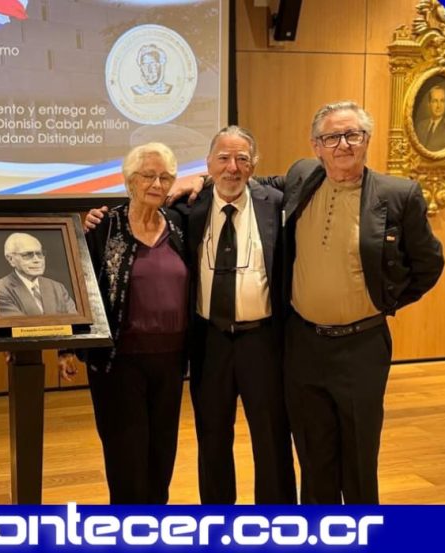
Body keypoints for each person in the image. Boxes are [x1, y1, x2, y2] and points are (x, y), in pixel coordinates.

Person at [84, 128, 298, 505]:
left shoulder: (274, 203)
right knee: (212, 438)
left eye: (242, 159)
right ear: (208, 164)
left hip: (261, 341)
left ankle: (277, 522)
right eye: (223, 159)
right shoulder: (188, 211)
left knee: (271, 437)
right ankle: (216, 519)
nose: (233, 168)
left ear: (254, 165)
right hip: (208, 342)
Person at [281, 101, 444, 504]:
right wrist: (194, 183)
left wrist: (385, 300)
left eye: (353, 135)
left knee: (358, 460)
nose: (343, 145)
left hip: (361, 347)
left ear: (367, 140)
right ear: (316, 145)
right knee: (313, 458)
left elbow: (429, 264)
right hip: (303, 345)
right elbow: (250, 183)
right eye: (331, 137)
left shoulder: (397, 194)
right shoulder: (301, 176)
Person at [60, 142, 190, 504]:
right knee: (125, 452)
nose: (157, 183)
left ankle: (154, 522)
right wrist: (68, 346)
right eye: (148, 175)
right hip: (118, 362)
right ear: (129, 181)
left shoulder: (180, 225)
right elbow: (78, 287)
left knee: (162, 451)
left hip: (171, 359)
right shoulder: (103, 225)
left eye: (166, 177)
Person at [0, 232, 77, 317]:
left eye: (39, 253)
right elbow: (23, 326)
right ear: (11, 259)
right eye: (27, 255)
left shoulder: (57, 287)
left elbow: (75, 321)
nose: (37, 260)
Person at [414, 85, 445, 151]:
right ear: (429, 104)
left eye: (442, 101)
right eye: (435, 101)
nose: (439, 106)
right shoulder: (420, 126)